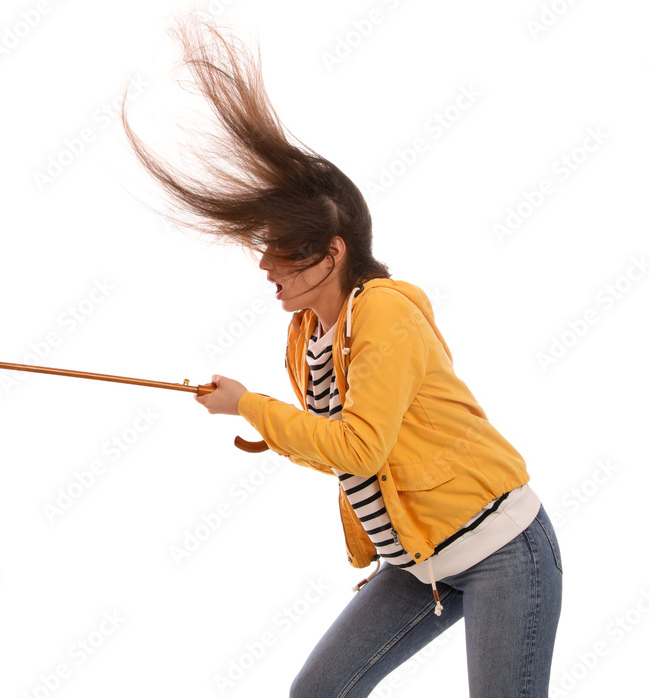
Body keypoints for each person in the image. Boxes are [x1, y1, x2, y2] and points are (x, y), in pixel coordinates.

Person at [122, 16, 562, 697]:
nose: (266, 265)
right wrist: (259, 424)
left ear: (331, 253)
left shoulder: (384, 310)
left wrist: (253, 406)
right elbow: (345, 447)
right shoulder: (305, 337)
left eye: (283, 253)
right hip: (421, 563)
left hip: (504, 550)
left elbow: (358, 447)